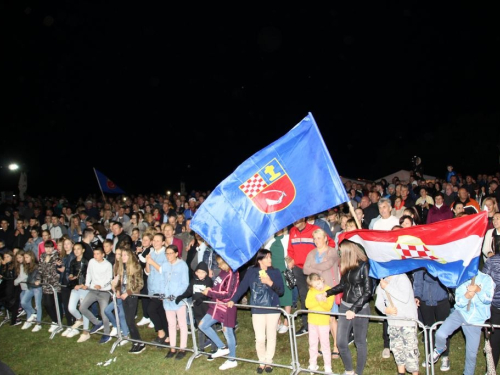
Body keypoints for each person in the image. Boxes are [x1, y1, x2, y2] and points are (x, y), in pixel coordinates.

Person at [319, 240, 372, 375]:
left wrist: (354, 309)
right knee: (341, 342)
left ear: (348, 251)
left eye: (341, 250)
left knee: (360, 342)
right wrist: (327, 292)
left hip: (360, 309)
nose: (339, 252)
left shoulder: (363, 266)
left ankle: (358, 372)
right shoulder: (346, 265)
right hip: (344, 306)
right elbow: (343, 285)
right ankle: (349, 370)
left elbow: (367, 292)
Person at [228, 248, 284, 373]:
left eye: (270, 257)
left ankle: (269, 361)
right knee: (259, 338)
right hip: (257, 308)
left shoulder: (275, 272)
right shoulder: (251, 272)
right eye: (267, 257)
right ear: (259, 260)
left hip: (273, 308)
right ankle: (261, 361)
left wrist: (270, 282)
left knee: (271, 336)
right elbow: (242, 287)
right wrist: (234, 299)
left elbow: (281, 291)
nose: (270, 259)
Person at [429, 271, 495, 375]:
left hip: (476, 320)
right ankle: (440, 348)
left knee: (471, 354)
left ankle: (468, 373)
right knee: (440, 334)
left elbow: (488, 299)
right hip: (460, 314)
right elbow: (458, 302)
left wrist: (478, 290)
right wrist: (466, 296)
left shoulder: (486, 279)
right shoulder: (461, 278)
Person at [288, 217, 334, 336]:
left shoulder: (315, 230)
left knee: (320, 293)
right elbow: (290, 250)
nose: (295, 221)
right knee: (304, 297)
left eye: (297, 219)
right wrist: (290, 260)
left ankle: (325, 323)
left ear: (303, 218)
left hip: (314, 269)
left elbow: (331, 243)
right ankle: (307, 325)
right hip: (299, 269)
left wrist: (325, 255)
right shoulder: (292, 231)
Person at [303, 229, 340, 360]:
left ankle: (336, 346)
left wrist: (313, 266)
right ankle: (319, 347)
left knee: (331, 318)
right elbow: (305, 269)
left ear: (325, 238)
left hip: (329, 289)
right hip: (314, 291)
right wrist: (317, 267)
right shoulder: (312, 253)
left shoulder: (332, 251)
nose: (317, 241)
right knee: (317, 319)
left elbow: (328, 265)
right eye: (315, 238)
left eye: (319, 238)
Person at [147, 244, 189, 359]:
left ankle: (182, 348)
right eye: (167, 253)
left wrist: (175, 295)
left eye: (171, 253)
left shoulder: (182, 265)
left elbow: (185, 283)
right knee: (171, 324)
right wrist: (162, 293)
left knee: (182, 324)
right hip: (167, 301)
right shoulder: (164, 265)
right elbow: (162, 280)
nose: (168, 256)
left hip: (178, 300)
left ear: (176, 254)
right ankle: (172, 348)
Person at [199, 256, 239, 370]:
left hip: (227, 306)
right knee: (202, 325)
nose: (218, 265)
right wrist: (210, 289)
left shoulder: (233, 274)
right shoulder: (223, 271)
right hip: (216, 305)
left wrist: (210, 292)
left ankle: (232, 359)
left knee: (228, 332)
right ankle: (222, 347)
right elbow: (218, 287)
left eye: (220, 263)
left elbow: (228, 294)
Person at [375, 273, 420, 375]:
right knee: (398, 352)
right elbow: (378, 302)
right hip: (393, 323)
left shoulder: (402, 278)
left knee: (411, 353)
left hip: (407, 322)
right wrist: (385, 309)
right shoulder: (383, 281)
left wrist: (387, 287)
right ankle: (401, 372)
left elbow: (404, 297)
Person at [176, 262, 215, 354]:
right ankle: (201, 348)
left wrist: (202, 298)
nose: (201, 275)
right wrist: (181, 296)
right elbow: (189, 291)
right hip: (197, 309)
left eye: (203, 273)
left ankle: (214, 348)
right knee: (200, 329)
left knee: (211, 328)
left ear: (206, 273)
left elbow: (209, 293)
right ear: (196, 272)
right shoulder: (193, 281)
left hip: (208, 309)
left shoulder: (208, 281)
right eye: (199, 272)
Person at [114, 247, 146, 354]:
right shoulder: (120, 266)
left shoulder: (136, 267)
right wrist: (118, 290)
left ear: (130, 256)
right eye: (122, 255)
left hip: (131, 296)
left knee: (130, 320)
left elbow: (140, 284)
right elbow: (119, 281)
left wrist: (127, 293)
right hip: (123, 295)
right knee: (128, 320)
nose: (123, 257)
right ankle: (135, 341)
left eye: (125, 255)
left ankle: (139, 342)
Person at [78, 247, 113, 344]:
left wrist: (101, 286)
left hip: (104, 291)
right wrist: (87, 284)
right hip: (93, 290)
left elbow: (110, 279)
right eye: (94, 254)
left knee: (104, 313)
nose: (95, 256)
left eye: (98, 254)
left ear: (103, 255)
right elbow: (88, 273)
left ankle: (107, 334)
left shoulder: (108, 265)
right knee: (82, 308)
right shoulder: (92, 262)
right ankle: (97, 323)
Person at [305, 273, 335, 374]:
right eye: (315, 286)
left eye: (318, 284)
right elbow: (307, 304)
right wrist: (319, 300)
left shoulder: (329, 290)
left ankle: (328, 366)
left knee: (325, 344)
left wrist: (322, 301)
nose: (318, 287)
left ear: (321, 279)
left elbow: (328, 307)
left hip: (323, 322)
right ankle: (312, 364)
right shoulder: (311, 291)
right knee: (312, 344)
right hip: (312, 321)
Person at [264, 228, 292, 334]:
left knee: (286, 296)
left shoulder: (287, 238)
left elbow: (291, 253)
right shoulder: (268, 239)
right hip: (272, 272)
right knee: (275, 296)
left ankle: (286, 322)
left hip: (284, 271)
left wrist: (290, 262)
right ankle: (277, 320)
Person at [145, 233, 170, 346]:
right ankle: (168, 336)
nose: (155, 242)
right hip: (152, 287)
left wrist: (152, 262)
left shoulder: (166, 254)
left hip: (161, 289)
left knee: (151, 310)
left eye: (158, 240)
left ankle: (161, 332)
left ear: (163, 242)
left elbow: (164, 270)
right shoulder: (151, 253)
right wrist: (147, 262)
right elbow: (148, 272)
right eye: (154, 240)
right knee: (160, 312)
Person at [35, 240, 63, 332]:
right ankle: (55, 321)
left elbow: (58, 270)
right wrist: (38, 279)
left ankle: (58, 322)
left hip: (55, 284)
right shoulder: (42, 256)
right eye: (46, 247)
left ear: (53, 248)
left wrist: (51, 264)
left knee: (55, 304)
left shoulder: (57, 256)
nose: (48, 249)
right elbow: (39, 269)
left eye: (50, 247)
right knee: (47, 304)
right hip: (46, 284)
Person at [65, 242, 90, 340]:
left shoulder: (87, 262)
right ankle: (80, 319)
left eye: (78, 249)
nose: (76, 251)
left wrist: (82, 284)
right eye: (74, 249)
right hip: (75, 287)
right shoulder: (73, 261)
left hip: (84, 288)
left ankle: (86, 331)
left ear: (83, 250)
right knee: (71, 308)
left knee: (84, 309)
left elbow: (88, 275)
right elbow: (71, 273)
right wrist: (71, 277)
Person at [483, 236, 500, 370]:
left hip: (495, 305)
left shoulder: (492, 261)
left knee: (495, 339)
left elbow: (484, 281)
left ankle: (491, 370)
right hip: (496, 305)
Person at [20, 251, 42, 331]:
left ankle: (38, 323)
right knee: (23, 302)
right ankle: (33, 313)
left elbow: (40, 274)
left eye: (27, 257)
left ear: (31, 257)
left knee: (38, 305)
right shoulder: (28, 266)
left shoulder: (37, 266)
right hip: (30, 287)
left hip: (37, 288)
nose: (25, 259)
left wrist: (38, 280)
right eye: (25, 257)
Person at [0, 251, 21, 326]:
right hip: (6, 285)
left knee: (12, 301)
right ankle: (13, 314)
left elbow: (13, 277)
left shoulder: (14, 265)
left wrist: (3, 277)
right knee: (4, 300)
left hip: (13, 285)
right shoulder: (5, 265)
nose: (6, 258)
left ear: (12, 257)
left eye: (8, 256)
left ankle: (15, 318)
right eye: (5, 257)